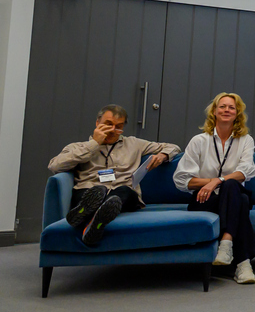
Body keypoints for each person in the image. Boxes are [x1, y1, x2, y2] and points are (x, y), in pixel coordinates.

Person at [48, 105, 181, 246]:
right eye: (108, 124)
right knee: (94, 192)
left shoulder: (134, 144)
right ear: (97, 123)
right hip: (89, 190)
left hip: (123, 193)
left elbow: (173, 147)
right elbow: (55, 166)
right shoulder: (78, 147)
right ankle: (93, 220)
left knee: (124, 192)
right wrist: (94, 144)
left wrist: (163, 155)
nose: (112, 130)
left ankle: (92, 214)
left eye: (118, 126)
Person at [174, 92, 255, 285]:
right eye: (222, 106)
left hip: (233, 196)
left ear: (237, 112)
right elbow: (181, 179)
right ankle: (243, 263)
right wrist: (211, 182)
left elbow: (247, 171)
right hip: (205, 200)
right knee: (241, 200)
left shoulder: (246, 140)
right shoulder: (199, 140)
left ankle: (227, 244)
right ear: (214, 111)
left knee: (233, 187)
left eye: (231, 107)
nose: (226, 110)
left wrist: (219, 180)